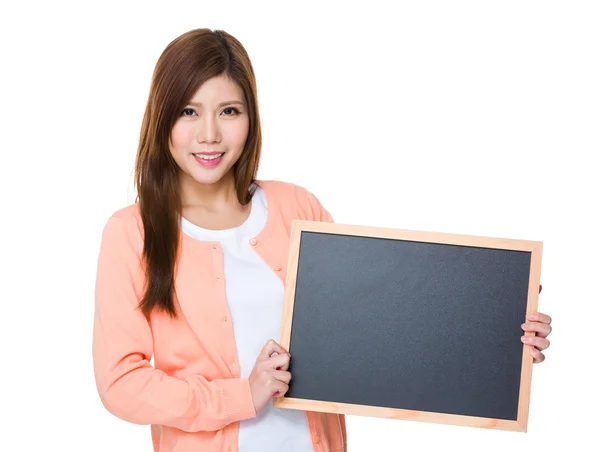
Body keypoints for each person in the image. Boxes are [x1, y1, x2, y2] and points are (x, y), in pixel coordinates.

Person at [92, 28, 552, 452]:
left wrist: (495, 338)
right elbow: (121, 383)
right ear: (162, 118)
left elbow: (373, 330)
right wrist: (239, 396)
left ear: (250, 117)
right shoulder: (131, 233)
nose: (209, 134)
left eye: (229, 111)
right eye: (189, 111)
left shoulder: (298, 209)